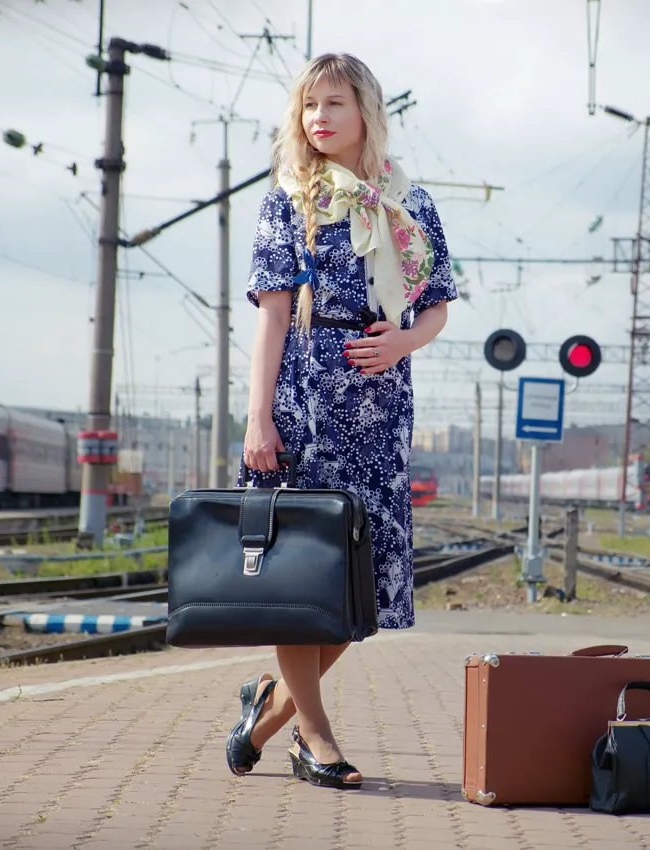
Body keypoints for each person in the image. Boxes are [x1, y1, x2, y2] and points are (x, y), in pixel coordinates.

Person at [225, 53, 458, 790]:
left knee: (364, 587)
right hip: (303, 398)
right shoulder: (285, 202)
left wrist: (404, 340)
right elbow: (270, 321)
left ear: (366, 113)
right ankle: (313, 739)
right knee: (301, 578)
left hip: (380, 404)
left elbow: (437, 302)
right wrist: (259, 418)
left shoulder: (408, 202)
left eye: (334, 104)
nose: (318, 118)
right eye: (308, 106)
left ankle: (268, 712)